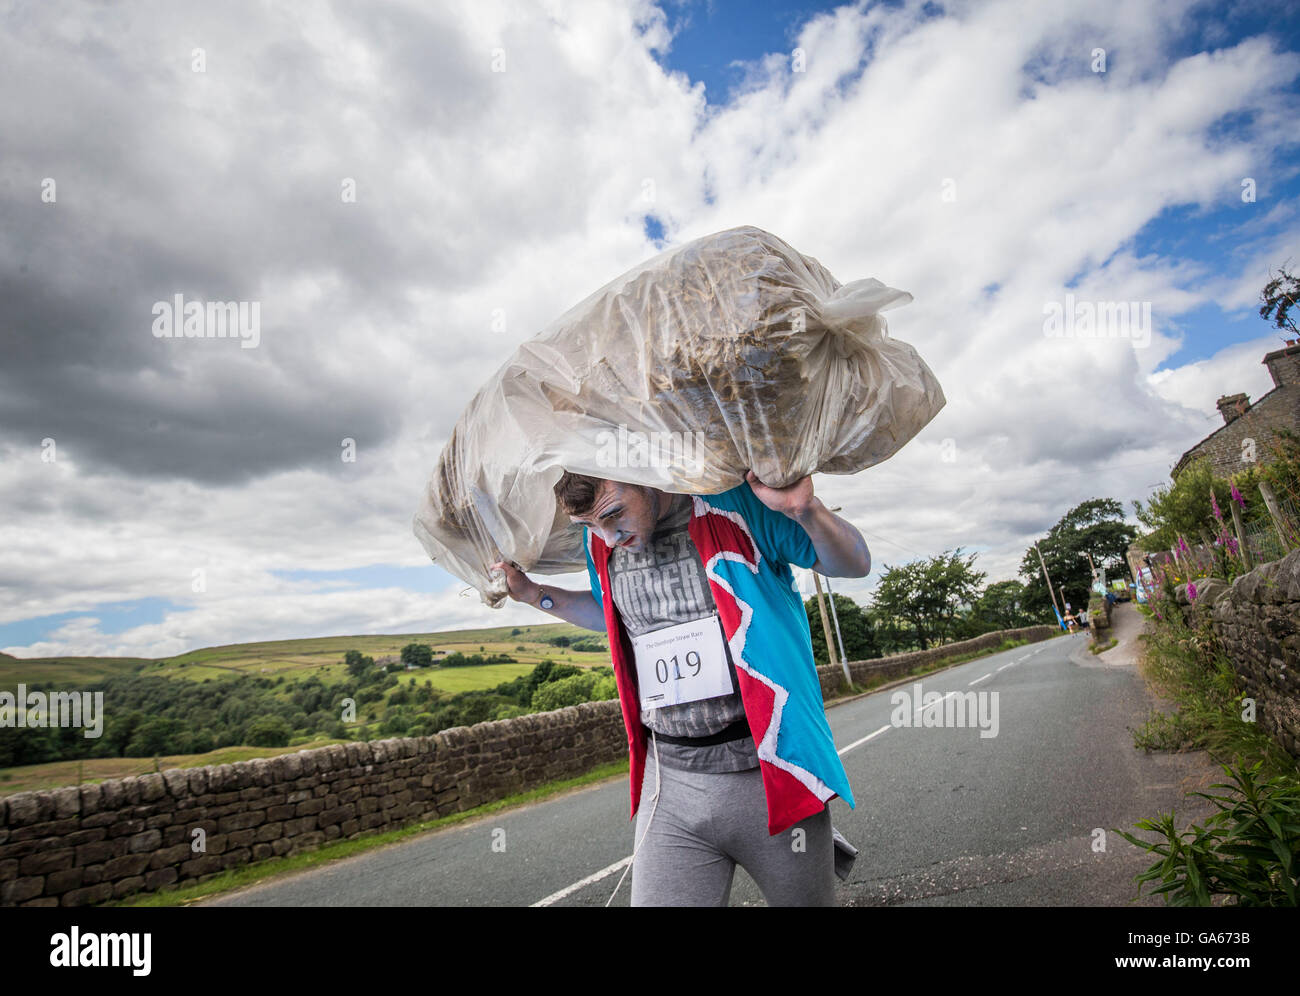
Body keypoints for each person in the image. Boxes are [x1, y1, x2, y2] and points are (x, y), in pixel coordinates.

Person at [491, 468, 870, 907]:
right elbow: (611, 612)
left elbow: (854, 563)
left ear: (645, 476)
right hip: (669, 784)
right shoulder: (600, 541)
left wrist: (807, 510)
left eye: (613, 514)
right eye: (590, 526)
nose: (609, 536)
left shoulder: (734, 503)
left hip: (769, 775)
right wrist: (535, 594)